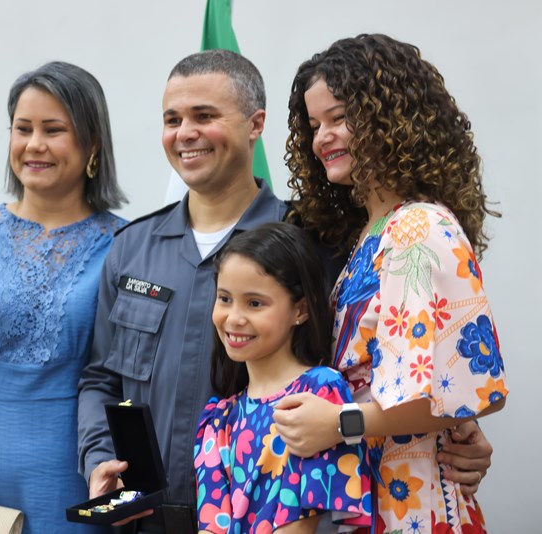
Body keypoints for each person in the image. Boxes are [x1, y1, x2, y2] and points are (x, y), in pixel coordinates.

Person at [78, 48, 495, 534]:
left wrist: (456, 424)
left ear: (256, 124)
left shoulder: (320, 242)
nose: (185, 132)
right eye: (173, 118)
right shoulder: (131, 249)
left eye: (205, 116)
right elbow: (101, 379)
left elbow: (435, 374)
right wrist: (98, 459)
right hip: (158, 517)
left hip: (317, 510)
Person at [275, 33, 506, 533]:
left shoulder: (419, 227)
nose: (322, 138)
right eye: (315, 125)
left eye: (339, 118)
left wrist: (339, 424)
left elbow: (458, 393)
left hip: (414, 501)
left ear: (390, 119)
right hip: (379, 492)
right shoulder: (373, 232)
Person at [0, 61, 127, 534]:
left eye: (54, 130)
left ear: (92, 144)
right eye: (23, 128)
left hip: (80, 482)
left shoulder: (128, 247)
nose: (34, 144)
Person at [195, 222, 371, 533]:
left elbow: (301, 525)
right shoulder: (219, 419)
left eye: (255, 303)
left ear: (300, 310)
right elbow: (212, 525)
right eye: (224, 299)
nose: (234, 318)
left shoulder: (319, 396)